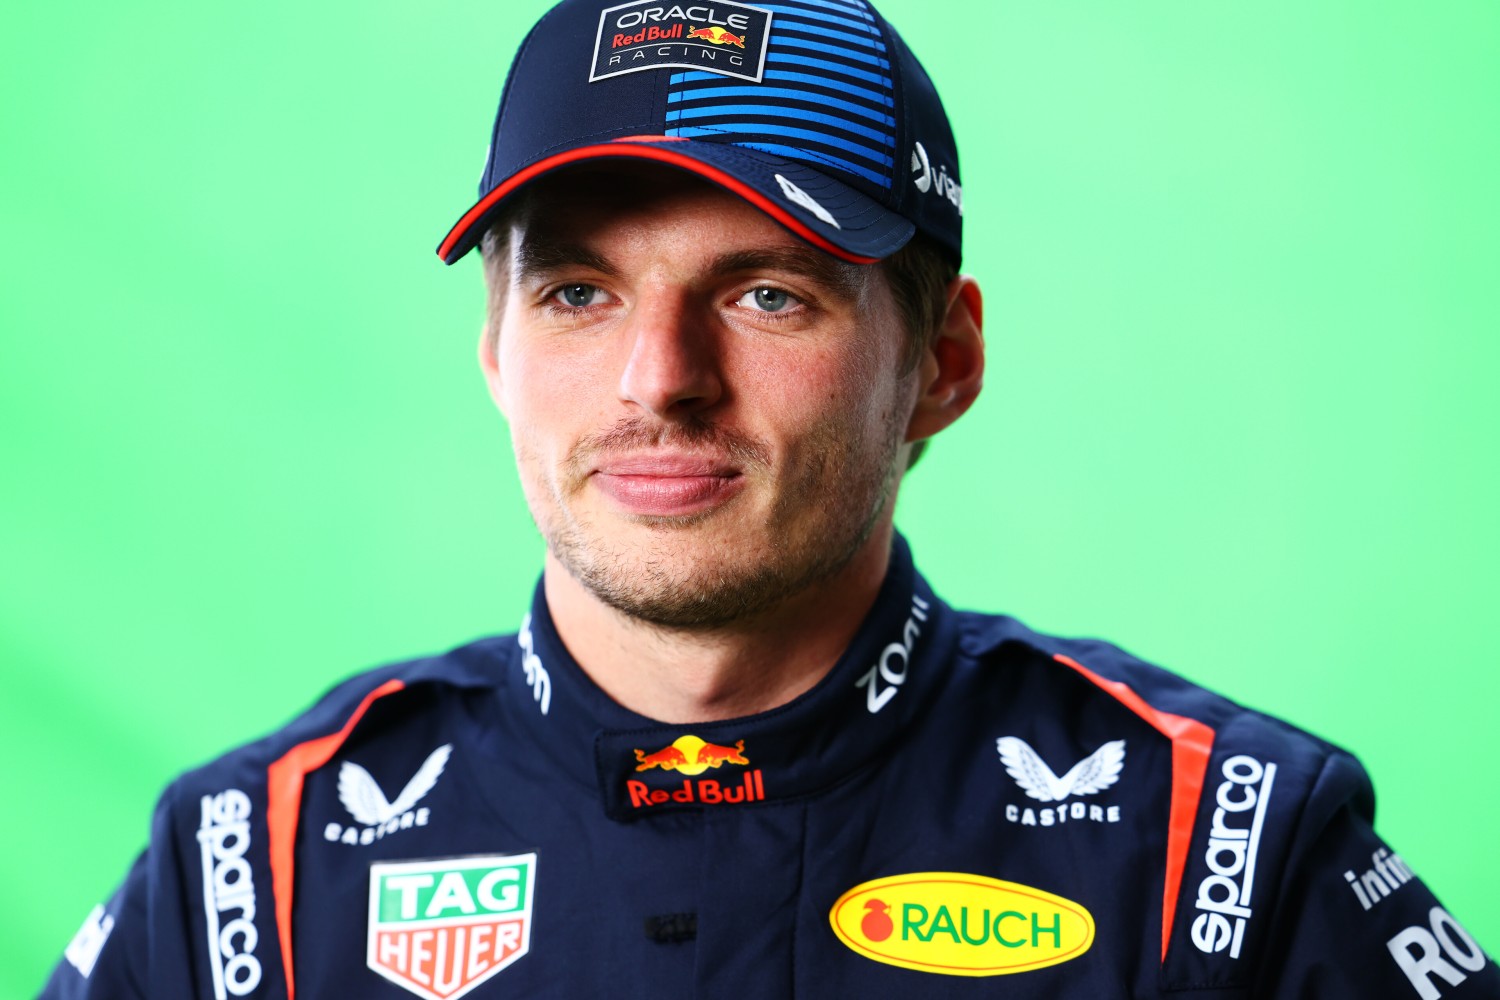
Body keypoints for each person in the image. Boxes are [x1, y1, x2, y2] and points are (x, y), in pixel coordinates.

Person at [38, 0, 1498, 997]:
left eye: (769, 293)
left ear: (942, 362)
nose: (655, 380)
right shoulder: (253, 874)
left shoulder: (1220, 847)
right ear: (495, 349)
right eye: (578, 291)